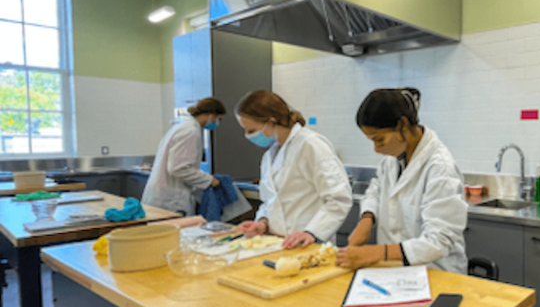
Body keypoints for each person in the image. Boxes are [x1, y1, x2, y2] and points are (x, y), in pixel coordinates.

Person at [336, 88, 468, 274]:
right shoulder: (393, 159)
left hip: (435, 273)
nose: (376, 148)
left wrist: (376, 252)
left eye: (379, 139)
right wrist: (367, 218)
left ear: (402, 125)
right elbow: (376, 188)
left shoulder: (440, 168)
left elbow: (438, 241)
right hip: (396, 271)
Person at [234, 90, 351, 249]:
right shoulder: (270, 156)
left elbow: (338, 198)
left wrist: (311, 233)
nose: (247, 136)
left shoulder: (311, 145)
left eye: (251, 131)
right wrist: (262, 222)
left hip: (310, 243)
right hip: (277, 243)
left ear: (271, 121)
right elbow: (270, 202)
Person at [142, 98, 225, 215]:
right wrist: (209, 180)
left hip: (163, 195)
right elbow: (178, 168)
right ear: (211, 115)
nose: (216, 123)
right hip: (171, 200)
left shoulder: (183, 127)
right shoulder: (190, 131)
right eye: (218, 119)